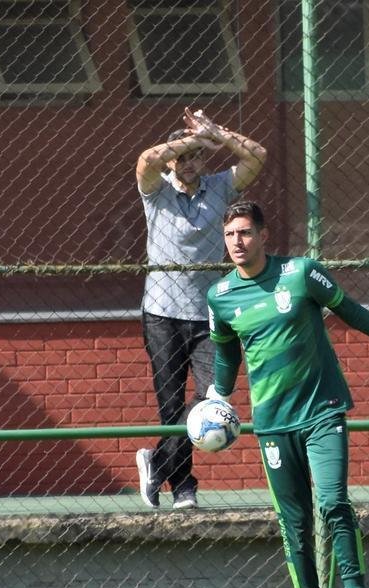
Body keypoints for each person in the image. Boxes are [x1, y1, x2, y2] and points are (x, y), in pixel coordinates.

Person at [206, 201, 369, 588]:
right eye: (230, 234)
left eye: (246, 233)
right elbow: (226, 353)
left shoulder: (299, 274)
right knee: (293, 521)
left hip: (322, 410)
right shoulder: (219, 296)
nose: (238, 242)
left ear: (263, 235)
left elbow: (349, 310)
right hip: (272, 425)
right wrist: (216, 397)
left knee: (332, 502)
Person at [135, 107, 267, 510]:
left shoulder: (220, 188)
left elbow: (256, 156)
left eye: (195, 156)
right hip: (161, 313)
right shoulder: (156, 190)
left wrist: (217, 133)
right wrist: (191, 140)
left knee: (210, 400)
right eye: (182, 156)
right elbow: (145, 161)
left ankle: (155, 463)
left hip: (209, 313)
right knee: (171, 404)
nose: (188, 163)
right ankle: (185, 487)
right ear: (173, 158)